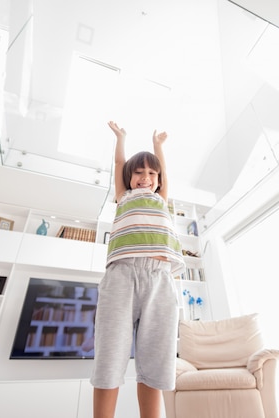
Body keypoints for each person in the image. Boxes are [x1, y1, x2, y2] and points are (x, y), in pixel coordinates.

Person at [90, 121, 185, 418]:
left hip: (160, 278)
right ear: (129, 178)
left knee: (156, 361)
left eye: (151, 173)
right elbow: (119, 162)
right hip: (122, 276)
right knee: (109, 356)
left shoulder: (162, 199)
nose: (145, 178)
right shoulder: (123, 196)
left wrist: (158, 147)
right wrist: (121, 138)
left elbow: (164, 172)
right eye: (139, 172)